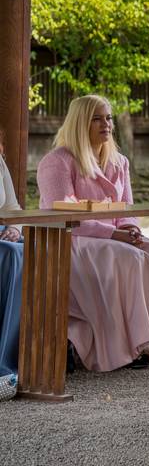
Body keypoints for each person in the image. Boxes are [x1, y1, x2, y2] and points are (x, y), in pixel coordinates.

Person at [37, 95, 149, 371]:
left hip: (114, 236)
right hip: (73, 239)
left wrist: (130, 228)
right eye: (98, 118)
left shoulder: (119, 162)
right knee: (128, 258)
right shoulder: (57, 161)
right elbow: (63, 215)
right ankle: (131, 347)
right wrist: (114, 235)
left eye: (109, 118)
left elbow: (127, 206)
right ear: (81, 122)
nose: (106, 124)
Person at [0, 136, 24, 383]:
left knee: (32, 250)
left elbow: (12, 207)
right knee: (10, 254)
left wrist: (15, 228)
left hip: (4, 234)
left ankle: (27, 357)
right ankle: (4, 364)